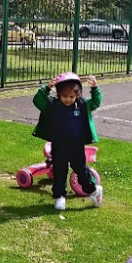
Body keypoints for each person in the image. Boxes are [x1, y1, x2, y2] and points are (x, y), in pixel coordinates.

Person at [31, 72, 103, 210]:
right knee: (59, 171)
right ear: (58, 93)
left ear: (77, 95)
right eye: (64, 96)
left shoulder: (81, 105)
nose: (68, 99)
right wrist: (46, 88)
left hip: (76, 145)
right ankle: (60, 196)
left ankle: (93, 190)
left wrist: (95, 89)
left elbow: (95, 102)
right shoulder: (53, 105)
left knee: (81, 170)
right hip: (59, 145)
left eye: (72, 96)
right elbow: (38, 101)